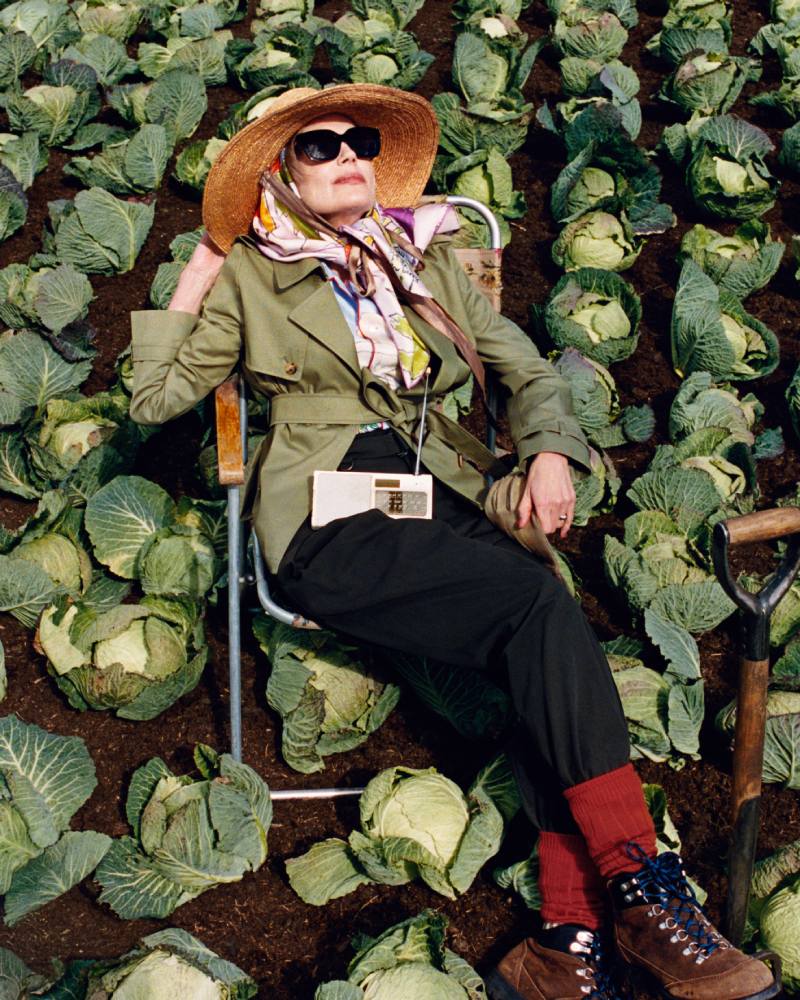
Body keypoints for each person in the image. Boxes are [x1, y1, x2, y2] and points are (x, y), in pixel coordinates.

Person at [129, 84, 779, 1000]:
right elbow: (152, 399)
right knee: (536, 608)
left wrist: (547, 451)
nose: (348, 155)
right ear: (281, 173)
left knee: (540, 633)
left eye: (360, 141)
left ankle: (566, 946)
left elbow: (525, 369)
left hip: (435, 487)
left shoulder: (423, 263)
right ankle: (641, 892)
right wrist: (202, 268)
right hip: (325, 514)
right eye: (320, 146)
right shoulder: (252, 278)